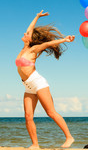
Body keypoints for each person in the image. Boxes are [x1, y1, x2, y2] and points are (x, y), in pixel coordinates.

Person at [15, 10, 75, 149]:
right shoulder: (23, 49)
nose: (25, 34)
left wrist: (65, 40)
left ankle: (69, 137)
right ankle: (35, 144)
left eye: (27, 35)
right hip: (28, 86)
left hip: (38, 83)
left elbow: (47, 45)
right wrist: (36, 16)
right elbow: (29, 29)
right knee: (28, 116)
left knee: (51, 112)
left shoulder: (34, 49)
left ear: (31, 39)